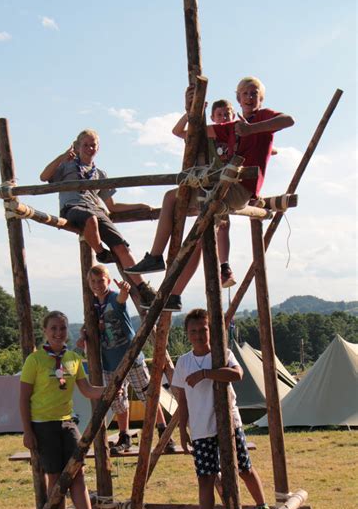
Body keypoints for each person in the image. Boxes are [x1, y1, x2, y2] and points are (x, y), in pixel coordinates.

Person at [126, 77, 294, 302]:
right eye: (245, 93)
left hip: (239, 190)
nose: (250, 97)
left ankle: (175, 292)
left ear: (261, 98)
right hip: (218, 186)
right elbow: (190, 132)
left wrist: (253, 129)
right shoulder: (230, 129)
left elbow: (289, 120)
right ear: (238, 97)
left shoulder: (264, 117)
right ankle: (156, 257)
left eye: (254, 93)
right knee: (172, 199)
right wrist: (192, 110)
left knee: (202, 233)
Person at [172, 308, 274, 509]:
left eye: (203, 330)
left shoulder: (221, 354)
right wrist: (183, 430)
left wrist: (207, 374)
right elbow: (182, 400)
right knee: (205, 478)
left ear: (211, 331)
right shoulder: (183, 362)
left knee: (244, 468)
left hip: (227, 423)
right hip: (200, 428)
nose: (198, 335)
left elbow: (237, 374)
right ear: (187, 334)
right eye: (193, 331)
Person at [40, 129, 157, 310]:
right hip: (73, 208)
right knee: (90, 219)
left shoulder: (100, 174)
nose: (89, 148)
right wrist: (63, 157)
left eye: (93, 144)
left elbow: (112, 206)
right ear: (78, 146)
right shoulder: (66, 166)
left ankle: (143, 288)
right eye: (85, 144)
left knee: (121, 247)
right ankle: (101, 252)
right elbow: (44, 176)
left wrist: (138, 206)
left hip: (97, 210)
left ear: (98, 148)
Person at [20, 310, 107, 509]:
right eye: (53, 329)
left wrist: (109, 389)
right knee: (56, 478)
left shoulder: (73, 359)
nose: (58, 333)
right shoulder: (35, 360)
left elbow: (88, 390)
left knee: (77, 474)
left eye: (62, 328)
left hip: (67, 422)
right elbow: (23, 397)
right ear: (45, 332)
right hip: (43, 425)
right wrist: (27, 431)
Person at [78, 264, 175, 454]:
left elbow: (122, 299)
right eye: (94, 281)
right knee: (117, 400)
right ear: (89, 283)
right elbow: (90, 329)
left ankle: (165, 434)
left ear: (108, 280)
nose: (97, 285)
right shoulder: (93, 307)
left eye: (101, 281)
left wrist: (125, 290)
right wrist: (84, 337)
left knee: (148, 395)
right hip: (109, 362)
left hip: (131, 357)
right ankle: (125, 436)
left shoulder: (114, 298)